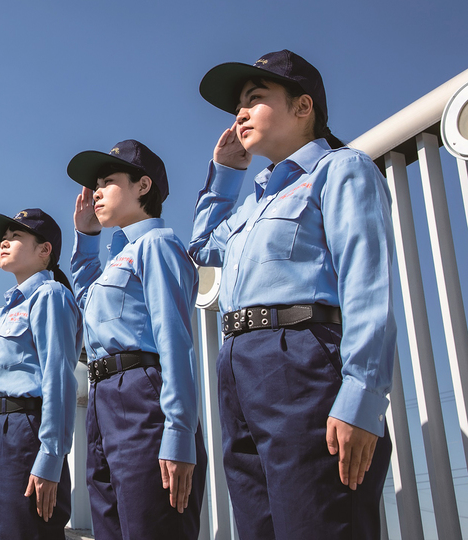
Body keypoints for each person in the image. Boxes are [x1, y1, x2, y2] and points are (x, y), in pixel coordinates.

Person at [189, 49, 396, 539]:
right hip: (239, 369)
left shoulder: (339, 169)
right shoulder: (253, 203)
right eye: (237, 106)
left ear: (303, 107)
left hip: (302, 361)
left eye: (254, 99)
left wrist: (362, 395)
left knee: (317, 522)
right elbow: (202, 247)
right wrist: (225, 175)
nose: (239, 113)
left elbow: (367, 283)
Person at [67, 139, 207, 540]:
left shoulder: (158, 245)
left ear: (142, 186)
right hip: (103, 399)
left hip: (143, 395)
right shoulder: (116, 260)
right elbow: (86, 300)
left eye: (107, 181)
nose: (96, 192)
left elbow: (175, 341)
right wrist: (86, 238)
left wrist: (179, 430)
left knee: (152, 525)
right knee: (110, 526)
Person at [0, 208, 83, 540]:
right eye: (4, 237)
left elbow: (58, 379)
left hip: (18, 431)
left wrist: (50, 458)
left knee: (23, 531)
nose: (5, 242)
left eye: (16, 236)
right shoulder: (6, 310)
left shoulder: (50, 296)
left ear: (44, 251)